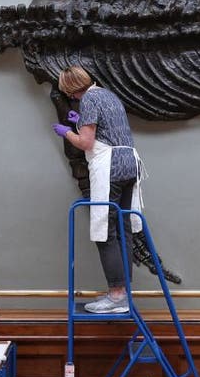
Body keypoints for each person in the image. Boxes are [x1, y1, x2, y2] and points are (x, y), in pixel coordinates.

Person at [52, 66, 144, 314]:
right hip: (129, 163)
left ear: (71, 88)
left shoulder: (89, 99)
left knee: (104, 230)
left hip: (110, 166)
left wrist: (68, 132)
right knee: (123, 229)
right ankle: (124, 293)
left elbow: (86, 142)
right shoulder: (106, 94)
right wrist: (79, 121)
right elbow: (106, 129)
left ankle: (115, 294)